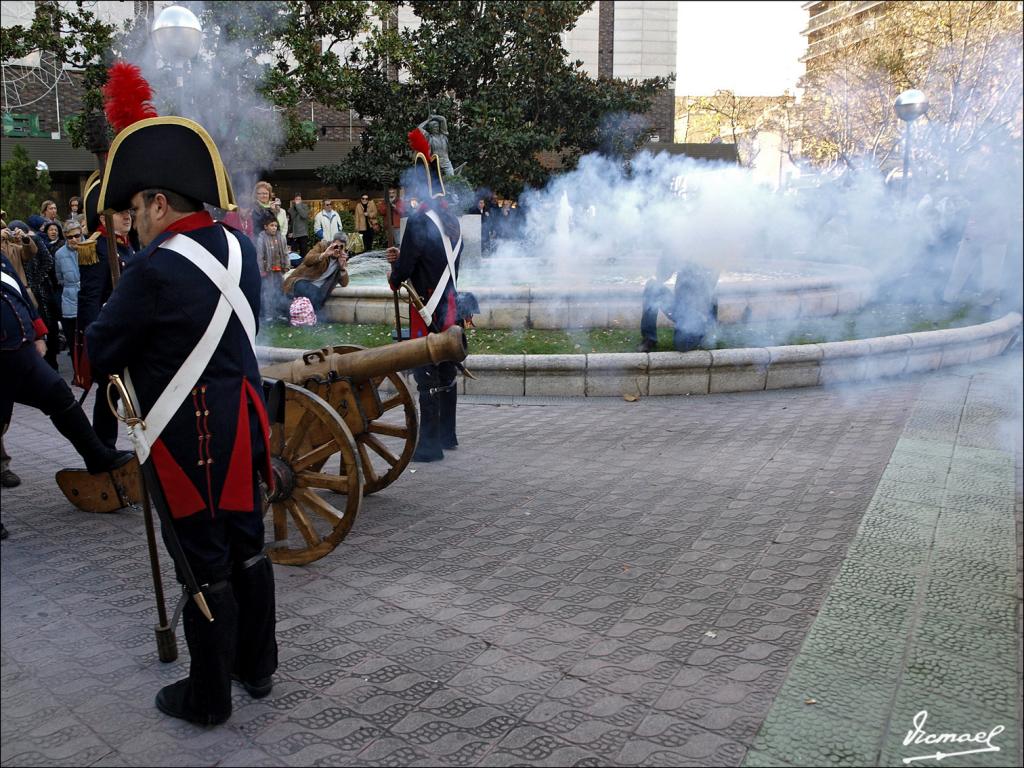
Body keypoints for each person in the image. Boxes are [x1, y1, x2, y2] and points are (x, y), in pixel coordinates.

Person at [86, 116, 277, 726]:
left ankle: (209, 696)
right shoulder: (238, 247)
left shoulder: (152, 269)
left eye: (136, 208)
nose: (131, 221)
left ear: (160, 203)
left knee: (201, 561)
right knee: (248, 547)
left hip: (188, 435)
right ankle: (258, 665)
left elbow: (102, 351)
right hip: (245, 424)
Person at [2, 251, 134, 534]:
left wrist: (38, 333)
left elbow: (18, 294)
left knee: (58, 395)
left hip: (22, 351)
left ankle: (97, 455)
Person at [385, 145, 462, 462]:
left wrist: (395, 269)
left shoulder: (418, 222)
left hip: (426, 306)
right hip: (450, 305)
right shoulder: (452, 221)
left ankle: (429, 445)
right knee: (446, 370)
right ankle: (447, 434)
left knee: (426, 373)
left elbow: (404, 271)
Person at [77, 177, 135, 447]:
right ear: (104, 216)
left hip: (131, 330)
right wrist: (93, 337)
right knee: (109, 391)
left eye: (129, 211)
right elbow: (90, 298)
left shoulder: (127, 244)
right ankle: (105, 445)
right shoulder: (97, 248)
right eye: (121, 212)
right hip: (110, 330)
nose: (128, 216)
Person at [637, 253, 719, 353]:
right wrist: (670, 256)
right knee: (652, 287)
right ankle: (649, 339)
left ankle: (705, 334)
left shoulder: (709, 252)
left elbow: (710, 290)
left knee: (682, 345)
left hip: (698, 313)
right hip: (680, 308)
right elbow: (662, 276)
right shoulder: (681, 248)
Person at [23, 220, 62, 370]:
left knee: (48, 327)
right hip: (28, 293)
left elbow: (47, 261)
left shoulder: (35, 240)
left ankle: (52, 362)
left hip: (42, 292)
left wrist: (36, 281)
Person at [283, 235, 349, 313]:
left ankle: (306, 318)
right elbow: (307, 260)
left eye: (341, 247)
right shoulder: (321, 246)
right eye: (336, 246)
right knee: (316, 297)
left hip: (317, 289)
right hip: (300, 281)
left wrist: (342, 268)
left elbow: (344, 284)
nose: (338, 249)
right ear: (332, 244)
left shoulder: (341, 260)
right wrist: (324, 255)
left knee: (319, 298)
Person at [54, 220, 83, 372]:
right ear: (65, 236)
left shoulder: (90, 247)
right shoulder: (59, 254)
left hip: (87, 296)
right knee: (72, 339)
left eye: (77, 235)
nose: (74, 239)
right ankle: (77, 373)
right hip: (69, 298)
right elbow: (59, 277)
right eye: (69, 237)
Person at [255, 218, 289, 322]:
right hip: (268, 270)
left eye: (275, 226)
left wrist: (286, 265)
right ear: (266, 227)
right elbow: (260, 255)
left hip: (279, 269)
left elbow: (285, 252)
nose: (274, 228)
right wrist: (261, 269)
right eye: (271, 225)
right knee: (268, 292)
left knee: (279, 291)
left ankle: (279, 313)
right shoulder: (262, 237)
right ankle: (268, 314)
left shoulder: (280, 237)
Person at [287, 193, 310, 257]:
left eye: (299, 199)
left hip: (303, 234)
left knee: (303, 253)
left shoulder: (305, 207)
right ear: (294, 200)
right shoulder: (291, 209)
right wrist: (290, 232)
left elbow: (304, 215)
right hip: (294, 234)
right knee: (293, 253)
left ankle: (304, 265)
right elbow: (290, 221)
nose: (298, 201)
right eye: (296, 199)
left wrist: (298, 206)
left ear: (301, 200)